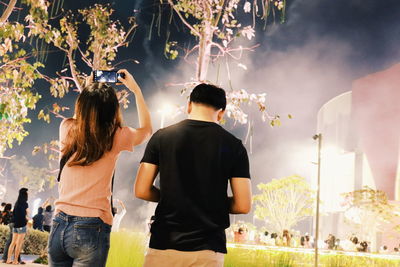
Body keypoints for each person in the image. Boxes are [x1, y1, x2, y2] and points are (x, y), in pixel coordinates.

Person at [135, 83, 252, 267]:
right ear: (221, 112)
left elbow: (142, 190)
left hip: (164, 244)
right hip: (208, 250)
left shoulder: (161, 137)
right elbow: (243, 205)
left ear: (189, 105)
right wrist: (212, 201)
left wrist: (170, 196)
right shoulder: (234, 146)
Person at [48, 69, 152, 267]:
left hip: (59, 224)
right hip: (91, 227)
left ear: (82, 105)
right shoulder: (116, 136)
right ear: (113, 110)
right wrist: (136, 90)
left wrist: (88, 90)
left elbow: (82, 119)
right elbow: (146, 130)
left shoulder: (67, 128)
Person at [7, 188, 29, 264]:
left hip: (15, 225)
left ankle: (8, 259)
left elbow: (14, 214)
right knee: (19, 244)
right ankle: (15, 260)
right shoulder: (25, 204)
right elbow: (27, 213)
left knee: (13, 242)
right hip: (22, 224)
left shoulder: (16, 203)